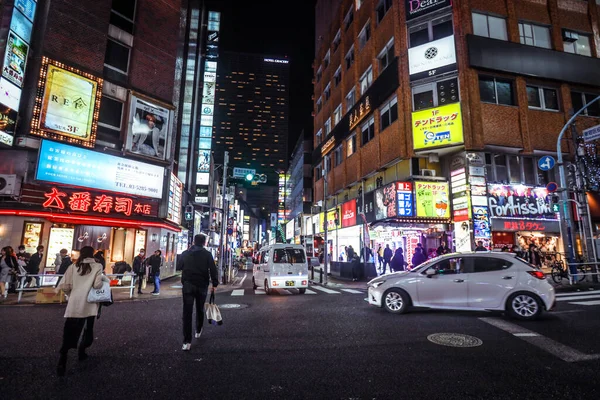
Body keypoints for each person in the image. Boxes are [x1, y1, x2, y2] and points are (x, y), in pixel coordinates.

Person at [55, 246, 107, 376]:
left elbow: (65, 286)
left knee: (70, 330)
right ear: (93, 254)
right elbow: (97, 285)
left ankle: (63, 356)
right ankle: (82, 351)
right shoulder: (97, 266)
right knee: (88, 328)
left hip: (75, 302)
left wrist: (71, 294)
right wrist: (103, 280)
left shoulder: (73, 266)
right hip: (89, 302)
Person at [179, 234, 219, 351]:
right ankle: (198, 329)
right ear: (204, 242)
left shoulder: (186, 253)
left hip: (188, 284)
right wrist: (214, 284)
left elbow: (179, 266)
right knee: (200, 308)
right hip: (202, 285)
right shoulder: (207, 254)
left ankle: (186, 341)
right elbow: (213, 269)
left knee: (187, 312)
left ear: (193, 241)